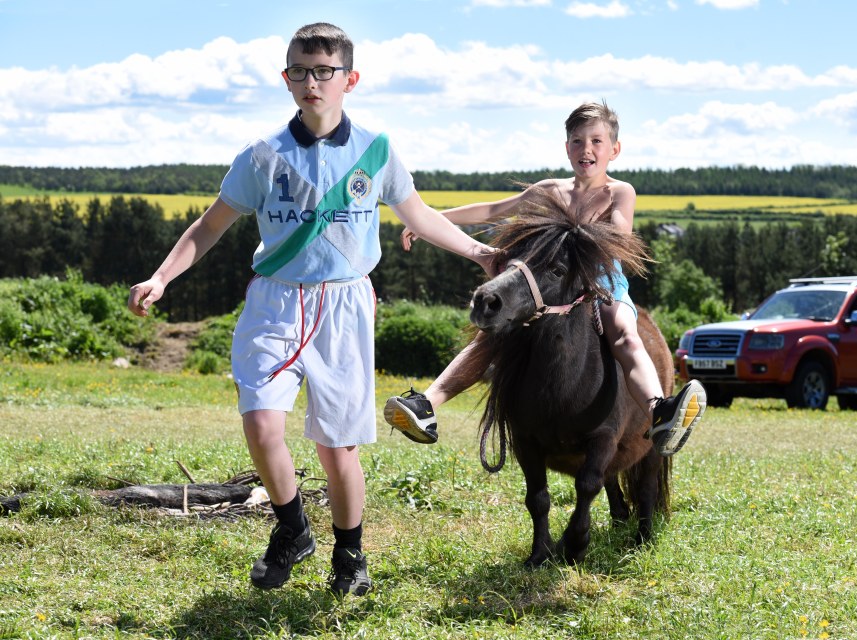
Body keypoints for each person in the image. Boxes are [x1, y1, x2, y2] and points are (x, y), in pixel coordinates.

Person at [127, 22, 495, 597]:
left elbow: (418, 215)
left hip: (345, 305)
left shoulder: (376, 150)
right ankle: (293, 527)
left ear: (350, 78)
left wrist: (479, 252)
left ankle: (350, 556)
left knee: (337, 445)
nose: (311, 82)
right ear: (286, 78)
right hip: (275, 300)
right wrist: (161, 276)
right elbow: (210, 226)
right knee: (260, 419)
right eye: (299, 71)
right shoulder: (263, 154)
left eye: (324, 71)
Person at [384, 101, 706, 456]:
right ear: (566, 147)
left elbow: (617, 240)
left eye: (597, 141)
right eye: (578, 141)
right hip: (547, 284)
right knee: (490, 335)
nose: (587, 149)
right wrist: (430, 218)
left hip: (601, 282)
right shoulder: (549, 190)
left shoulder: (620, 192)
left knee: (626, 334)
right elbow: (493, 210)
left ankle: (658, 410)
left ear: (614, 149)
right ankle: (425, 405)